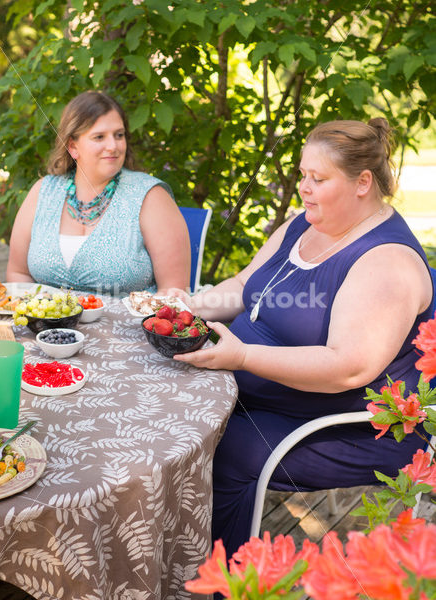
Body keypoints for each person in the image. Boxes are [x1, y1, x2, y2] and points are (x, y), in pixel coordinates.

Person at [171, 118, 434, 558]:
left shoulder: (388, 262)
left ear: (362, 183)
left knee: (219, 447)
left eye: (318, 178)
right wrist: (188, 306)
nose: (303, 189)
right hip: (259, 390)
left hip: (345, 424)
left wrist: (243, 357)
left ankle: (213, 575)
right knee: (169, 408)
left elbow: (348, 367)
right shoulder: (308, 223)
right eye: (302, 176)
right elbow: (242, 285)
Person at [6, 91, 190, 295]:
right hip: (46, 325)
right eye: (99, 137)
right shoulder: (43, 192)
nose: (113, 146)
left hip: (129, 325)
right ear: (73, 147)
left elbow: (173, 294)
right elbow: (18, 274)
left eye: (119, 135)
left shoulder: (151, 197)